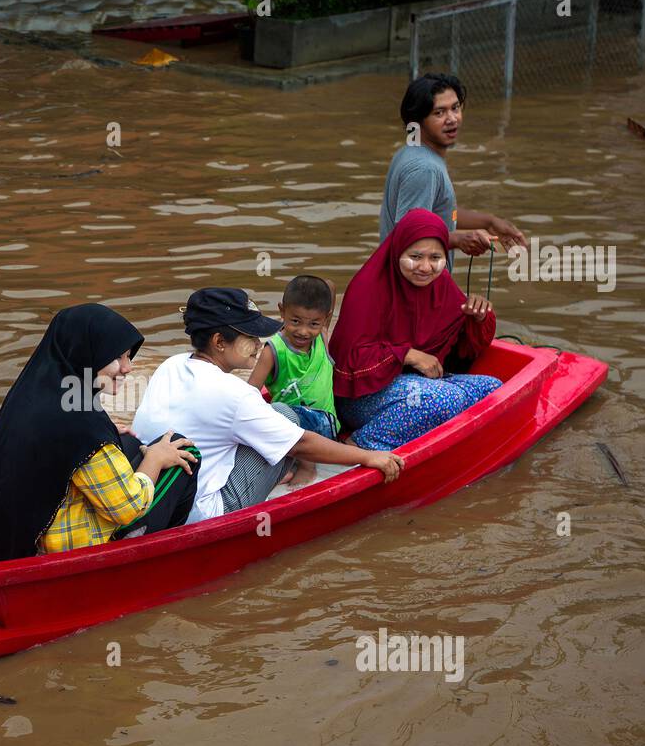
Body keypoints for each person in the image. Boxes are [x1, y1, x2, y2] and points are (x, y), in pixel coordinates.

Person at [132, 288, 404, 524]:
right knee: (285, 415)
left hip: (162, 495)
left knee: (268, 420)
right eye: (249, 337)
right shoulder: (234, 394)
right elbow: (300, 444)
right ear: (218, 342)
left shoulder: (172, 364)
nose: (258, 344)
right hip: (203, 512)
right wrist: (368, 457)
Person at [0, 304, 200, 562]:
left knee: (125, 441)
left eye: (129, 356)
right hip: (63, 552)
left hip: (17, 539)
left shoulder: (29, 393)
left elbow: (56, 438)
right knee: (184, 453)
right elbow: (127, 508)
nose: (127, 368)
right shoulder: (82, 425)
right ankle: (160, 560)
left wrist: (107, 435)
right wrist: (155, 459)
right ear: (88, 354)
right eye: (118, 357)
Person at [331, 209, 502, 451]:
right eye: (415, 256)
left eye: (435, 258)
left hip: (415, 385)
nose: (425, 267)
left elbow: (463, 347)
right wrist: (409, 354)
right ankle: (357, 445)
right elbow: (349, 360)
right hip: (360, 395)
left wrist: (478, 317)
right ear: (398, 250)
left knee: (491, 388)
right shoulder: (367, 289)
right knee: (447, 400)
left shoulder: (440, 283)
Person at [380, 73, 529, 261]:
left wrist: (489, 223)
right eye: (439, 113)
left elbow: (441, 213)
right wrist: (459, 240)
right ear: (418, 121)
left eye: (455, 108)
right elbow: (409, 236)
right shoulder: (424, 168)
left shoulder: (412, 150)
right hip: (412, 283)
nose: (452, 119)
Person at [247, 273, 339, 441]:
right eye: (295, 321)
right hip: (287, 430)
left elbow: (330, 285)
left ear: (325, 318)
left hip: (324, 425)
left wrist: (316, 289)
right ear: (282, 311)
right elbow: (250, 392)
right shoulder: (274, 350)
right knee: (280, 411)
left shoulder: (321, 336)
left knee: (279, 410)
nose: (303, 331)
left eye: (313, 324)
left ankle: (308, 466)